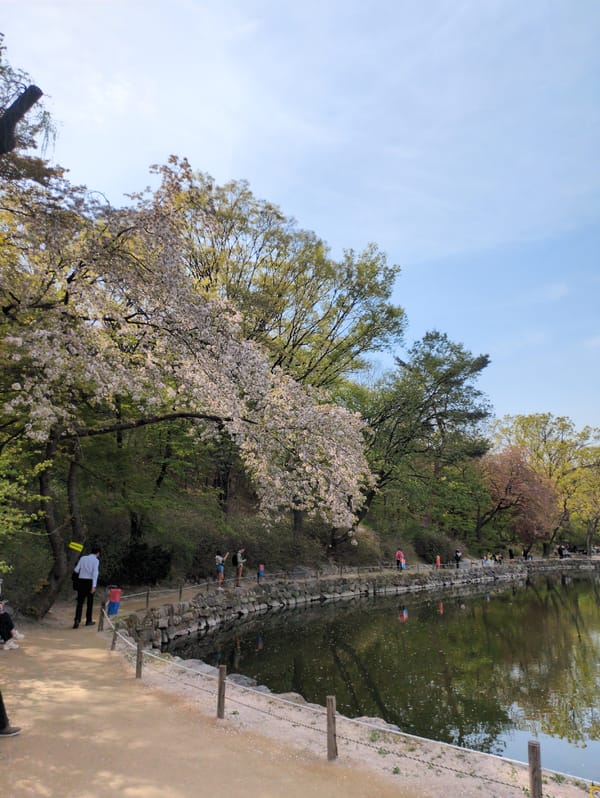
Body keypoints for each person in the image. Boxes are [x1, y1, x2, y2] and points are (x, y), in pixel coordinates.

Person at [72, 546, 101, 629]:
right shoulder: (96, 561)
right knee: (90, 602)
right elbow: (95, 573)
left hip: (81, 581)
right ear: (98, 553)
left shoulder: (83, 558)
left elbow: (76, 569)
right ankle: (88, 620)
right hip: (90, 582)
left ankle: (77, 620)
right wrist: (94, 586)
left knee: (80, 602)